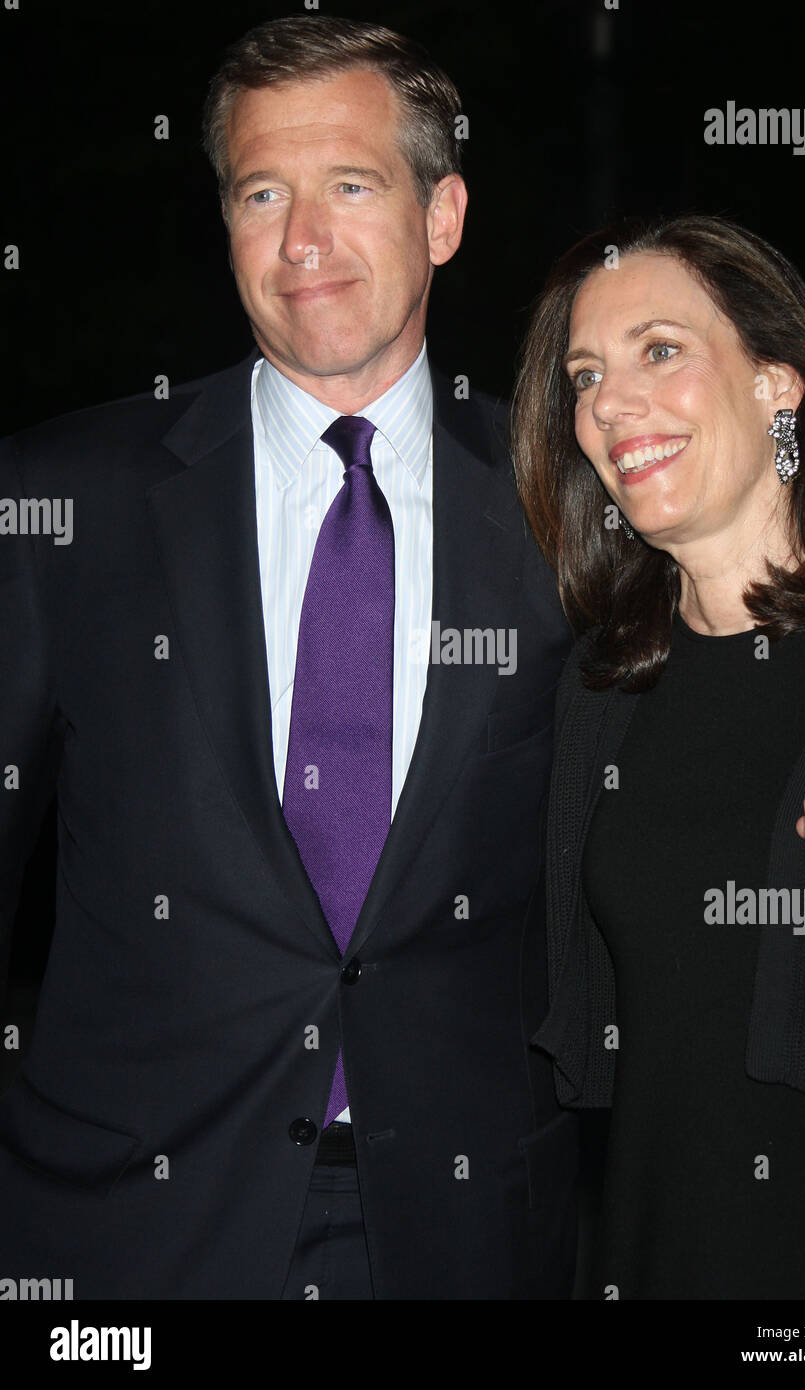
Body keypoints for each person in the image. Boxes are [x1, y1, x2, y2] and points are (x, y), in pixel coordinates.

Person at [0, 16, 578, 1300]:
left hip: (464, 1227)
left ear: (443, 217)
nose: (302, 240)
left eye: (351, 186)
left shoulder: (568, 506)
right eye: (263, 192)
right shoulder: (63, 503)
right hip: (127, 1233)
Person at [512, 214, 805, 1299]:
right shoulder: (603, 689)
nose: (608, 403)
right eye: (584, 376)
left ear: (775, 384)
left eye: (659, 350)